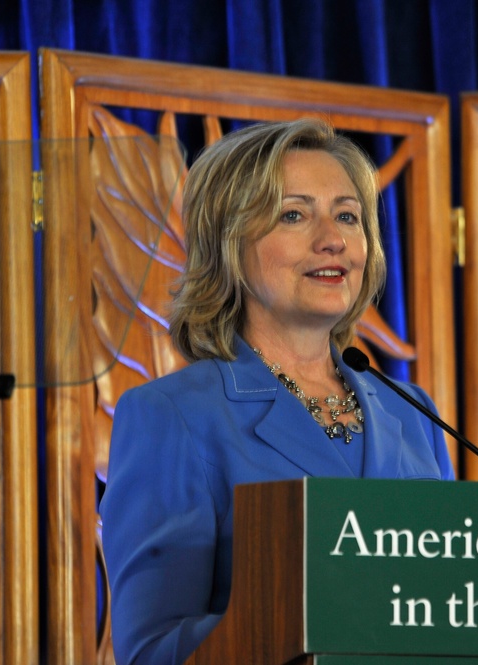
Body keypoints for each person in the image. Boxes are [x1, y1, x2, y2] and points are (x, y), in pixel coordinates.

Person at [100, 118, 455, 665]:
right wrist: (290, 617)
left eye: (347, 216)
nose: (333, 239)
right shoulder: (171, 416)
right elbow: (151, 652)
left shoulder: (415, 415)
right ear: (230, 244)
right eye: (294, 214)